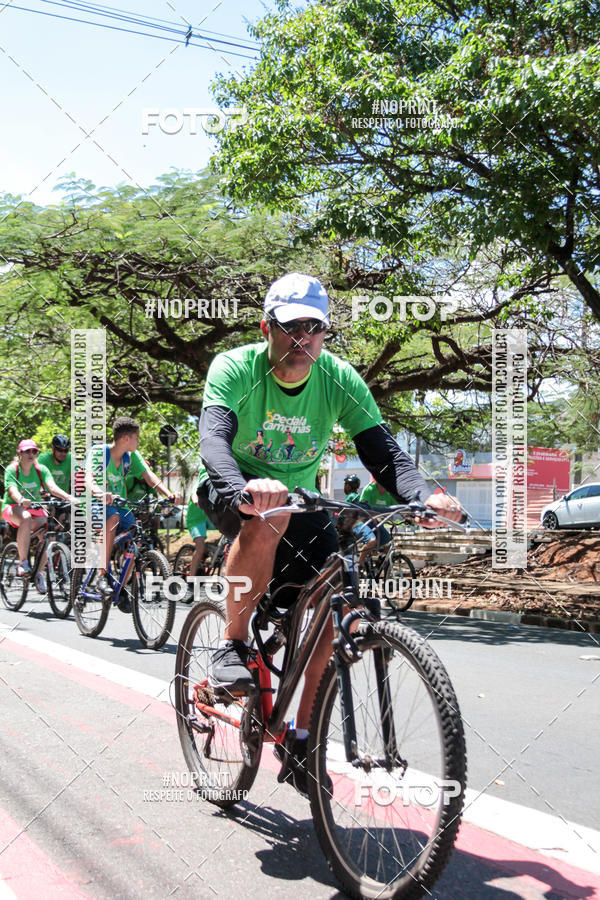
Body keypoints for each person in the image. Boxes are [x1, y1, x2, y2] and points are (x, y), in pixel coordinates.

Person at [195, 272, 463, 796]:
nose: (303, 340)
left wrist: (421, 495)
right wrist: (241, 488)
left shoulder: (338, 378)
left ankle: (303, 739)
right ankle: (231, 644)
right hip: (234, 489)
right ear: (266, 327)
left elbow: (382, 449)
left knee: (336, 611)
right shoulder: (234, 367)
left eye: (314, 328)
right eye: (291, 326)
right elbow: (214, 440)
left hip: (303, 498)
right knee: (266, 517)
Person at [85, 417, 176, 609]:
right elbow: (89, 478)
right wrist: (100, 493)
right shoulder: (100, 453)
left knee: (137, 537)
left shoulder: (131, 456)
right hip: (96, 504)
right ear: (126, 438)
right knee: (113, 518)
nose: (138, 442)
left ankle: (122, 586)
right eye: (137, 438)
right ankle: (101, 577)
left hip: (121, 505)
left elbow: (149, 476)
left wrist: (168, 494)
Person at [1, 439, 76, 591]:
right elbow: (12, 490)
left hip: (35, 507)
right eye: (27, 451)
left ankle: (39, 572)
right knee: (26, 518)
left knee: (50, 534)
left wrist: (69, 497)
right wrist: (21, 499)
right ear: (20, 453)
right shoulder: (12, 469)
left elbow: (52, 486)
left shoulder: (41, 469)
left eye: (34, 451)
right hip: (13, 507)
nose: (31, 454)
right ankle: (23, 562)